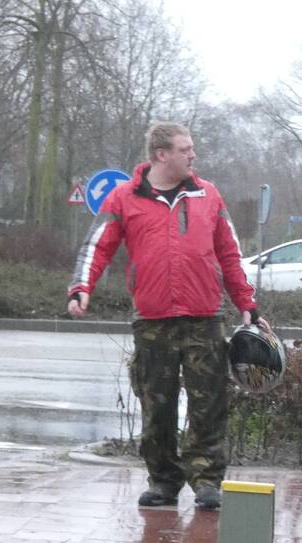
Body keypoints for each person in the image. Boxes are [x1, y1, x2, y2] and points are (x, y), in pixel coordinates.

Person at [67, 121, 269, 511]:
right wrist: (81, 288)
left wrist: (247, 301)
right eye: (185, 149)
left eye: (192, 148)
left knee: (208, 403)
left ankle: (207, 481)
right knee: (156, 404)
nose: (192, 155)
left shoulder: (208, 195)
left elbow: (229, 253)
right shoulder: (124, 198)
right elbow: (97, 247)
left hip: (205, 317)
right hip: (152, 319)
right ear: (162, 155)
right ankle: (163, 482)